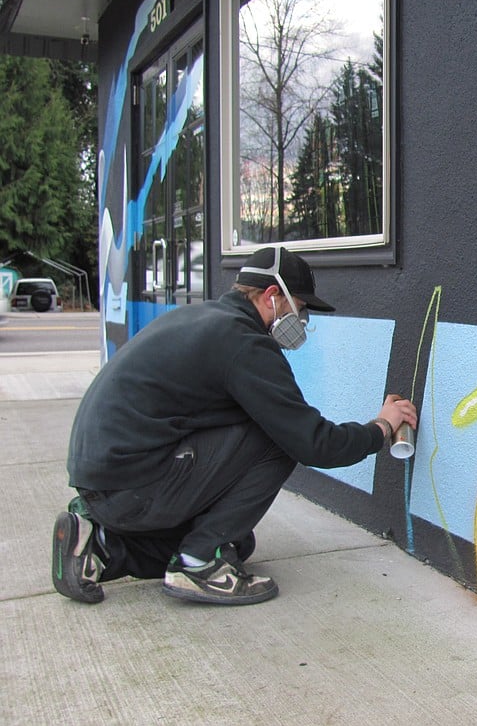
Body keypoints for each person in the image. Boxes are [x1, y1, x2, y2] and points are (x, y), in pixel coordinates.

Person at [52, 246, 417, 606]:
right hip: (132, 487)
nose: (302, 321)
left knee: (238, 543)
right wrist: (382, 427)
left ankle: (101, 545)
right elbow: (313, 443)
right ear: (273, 296)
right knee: (278, 441)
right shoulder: (244, 343)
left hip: (106, 483)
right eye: (301, 309)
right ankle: (198, 565)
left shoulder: (205, 320)